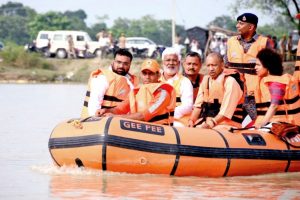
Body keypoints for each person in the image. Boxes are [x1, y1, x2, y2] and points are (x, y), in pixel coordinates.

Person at [96, 59, 176, 125]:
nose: (147, 77)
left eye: (151, 73)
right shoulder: (136, 91)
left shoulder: (164, 91)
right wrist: (106, 110)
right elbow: (121, 108)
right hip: (139, 130)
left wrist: (115, 117)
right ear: (141, 74)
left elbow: (144, 115)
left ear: (158, 75)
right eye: (144, 73)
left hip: (160, 132)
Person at [188, 52, 244, 129]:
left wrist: (211, 124)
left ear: (222, 65)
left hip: (227, 124)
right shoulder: (206, 80)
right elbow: (198, 106)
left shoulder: (230, 81)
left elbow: (226, 111)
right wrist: (191, 120)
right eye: (208, 65)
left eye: (214, 65)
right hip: (207, 123)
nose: (211, 69)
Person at [224, 13, 270, 102]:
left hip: (257, 92)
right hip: (235, 91)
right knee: (236, 115)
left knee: (256, 115)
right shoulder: (231, 42)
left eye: (241, 23)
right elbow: (226, 64)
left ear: (251, 27)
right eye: (237, 23)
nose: (237, 26)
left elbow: (273, 70)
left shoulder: (264, 43)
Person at [81, 49, 138, 118]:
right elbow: (94, 104)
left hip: (119, 121)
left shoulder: (131, 82)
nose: (121, 66)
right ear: (113, 62)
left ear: (130, 65)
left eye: (125, 64)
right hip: (98, 121)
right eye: (118, 62)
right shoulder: (102, 78)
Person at [254, 48, 300, 128]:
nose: (255, 67)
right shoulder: (269, 81)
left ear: (267, 67)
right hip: (273, 123)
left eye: (258, 65)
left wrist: (262, 124)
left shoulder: (276, 83)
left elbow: (274, 105)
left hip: (279, 125)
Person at [159, 47, 194, 127]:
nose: (171, 63)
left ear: (178, 63)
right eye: (168, 60)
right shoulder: (155, 80)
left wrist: (168, 114)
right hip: (158, 119)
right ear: (163, 63)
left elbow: (188, 106)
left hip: (178, 120)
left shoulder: (185, 82)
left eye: (174, 60)